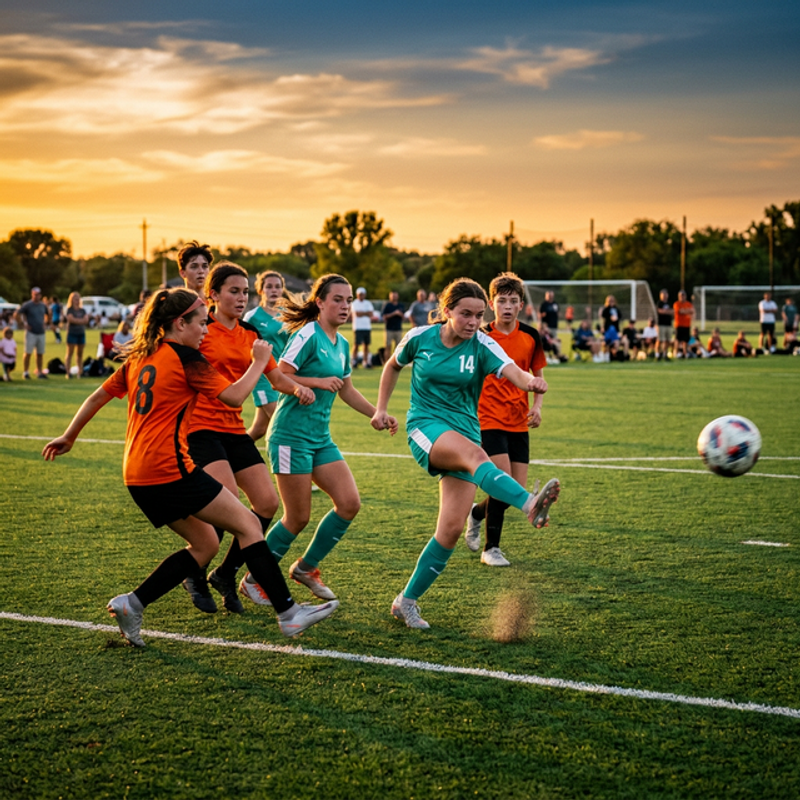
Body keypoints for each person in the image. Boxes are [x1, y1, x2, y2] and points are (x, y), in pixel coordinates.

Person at [42, 288, 338, 646]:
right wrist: (259, 361)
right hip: (170, 469)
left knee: (204, 545)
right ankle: (289, 613)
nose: (205, 330)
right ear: (179, 323)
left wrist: (69, 435)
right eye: (200, 323)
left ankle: (131, 604)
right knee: (248, 524)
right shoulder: (186, 358)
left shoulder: (140, 357)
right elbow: (233, 397)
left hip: (137, 475)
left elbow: (98, 395)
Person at [371, 277, 560, 629]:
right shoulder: (419, 338)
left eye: (478, 315)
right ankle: (529, 504)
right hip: (425, 427)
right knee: (478, 458)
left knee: (451, 530)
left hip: (465, 431)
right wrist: (381, 409)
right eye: (466, 314)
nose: (473, 322)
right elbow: (392, 366)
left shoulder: (483, 345)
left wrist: (530, 382)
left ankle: (406, 602)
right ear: (447, 312)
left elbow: (511, 370)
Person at [239, 274, 397, 607]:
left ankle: (307, 568)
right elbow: (279, 375)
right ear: (320, 302)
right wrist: (311, 383)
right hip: (288, 436)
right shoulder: (307, 334)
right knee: (297, 517)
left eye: (349, 300)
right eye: (338, 299)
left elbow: (347, 389)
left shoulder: (341, 343)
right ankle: (254, 579)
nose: (345, 306)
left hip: (320, 437)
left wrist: (376, 413)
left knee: (349, 503)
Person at [183, 262, 315, 615]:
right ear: (213, 295)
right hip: (200, 428)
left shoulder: (249, 331)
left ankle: (225, 574)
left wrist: (298, 388)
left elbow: (275, 376)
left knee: (267, 504)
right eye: (233, 291)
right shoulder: (200, 330)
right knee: (229, 504)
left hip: (233, 429)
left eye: (244, 292)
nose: (241, 298)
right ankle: (193, 569)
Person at [464, 273, 550, 567]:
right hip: (487, 418)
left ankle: (476, 513)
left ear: (522, 305)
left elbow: (538, 376)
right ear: (491, 303)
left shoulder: (530, 336)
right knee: (501, 480)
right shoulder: (480, 336)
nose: (508, 306)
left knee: (516, 489)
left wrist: (537, 406)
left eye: (513, 301)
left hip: (518, 419)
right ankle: (491, 550)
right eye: (502, 301)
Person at [242, 270, 291, 442]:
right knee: (283, 425)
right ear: (261, 290)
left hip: (283, 375)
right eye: (269, 286)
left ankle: (234, 455)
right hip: (262, 376)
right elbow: (241, 344)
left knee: (259, 429)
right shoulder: (252, 317)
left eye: (278, 287)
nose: (274, 290)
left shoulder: (288, 315)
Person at [16, 287, 50, 379]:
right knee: (28, 353)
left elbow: (48, 314)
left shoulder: (42, 305)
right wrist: (23, 324)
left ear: (40, 295)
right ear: (32, 294)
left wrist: (46, 323)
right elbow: (17, 313)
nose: (36, 296)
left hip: (41, 332)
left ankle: (39, 371)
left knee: (40, 353)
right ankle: (26, 372)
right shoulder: (27, 305)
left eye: (38, 295)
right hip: (31, 332)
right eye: (35, 294)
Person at [64, 292, 89, 378]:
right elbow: (71, 319)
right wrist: (81, 321)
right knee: (69, 353)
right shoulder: (69, 310)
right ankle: (68, 372)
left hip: (81, 333)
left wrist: (78, 321)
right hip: (72, 333)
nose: (77, 300)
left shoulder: (82, 310)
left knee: (80, 354)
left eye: (78, 298)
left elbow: (86, 320)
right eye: (75, 298)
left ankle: (80, 372)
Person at [350, 286, 375, 368]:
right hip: (358, 327)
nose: (361, 296)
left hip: (367, 327)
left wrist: (363, 313)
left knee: (366, 345)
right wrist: (366, 313)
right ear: (357, 295)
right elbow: (357, 314)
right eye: (360, 294)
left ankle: (365, 361)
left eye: (363, 294)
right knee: (356, 344)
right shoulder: (354, 303)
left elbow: (371, 314)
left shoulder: (368, 303)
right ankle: (354, 360)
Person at [381, 290, 405, 359]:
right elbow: (384, 316)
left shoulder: (400, 305)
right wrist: (394, 313)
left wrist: (399, 314)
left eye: (395, 295)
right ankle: (386, 362)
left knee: (399, 347)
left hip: (398, 329)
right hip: (389, 329)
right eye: (393, 295)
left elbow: (404, 317)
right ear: (390, 296)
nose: (394, 297)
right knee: (388, 346)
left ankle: (396, 362)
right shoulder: (387, 305)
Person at [672, 290, 694, 359]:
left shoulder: (688, 304)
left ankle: (685, 353)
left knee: (685, 340)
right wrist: (687, 311)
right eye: (681, 296)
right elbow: (680, 311)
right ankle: (676, 352)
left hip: (686, 325)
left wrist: (685, 311)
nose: (682, 297)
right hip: (679, 324)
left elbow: (692, 311)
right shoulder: (676, 304)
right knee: (677, 339)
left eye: (683, 295)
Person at [656, 289, 672, 361]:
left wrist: (665, 311)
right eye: (663, 295)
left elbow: (673, 311)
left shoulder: (669, 303)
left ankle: (665, 354)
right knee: (660, 339)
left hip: (668, 324)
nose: (664, 296)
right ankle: (658, 354)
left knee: (667, 340)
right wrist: (666, 311)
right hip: (661, 324)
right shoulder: (659, 303)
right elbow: (660, 311)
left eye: (665, 294)